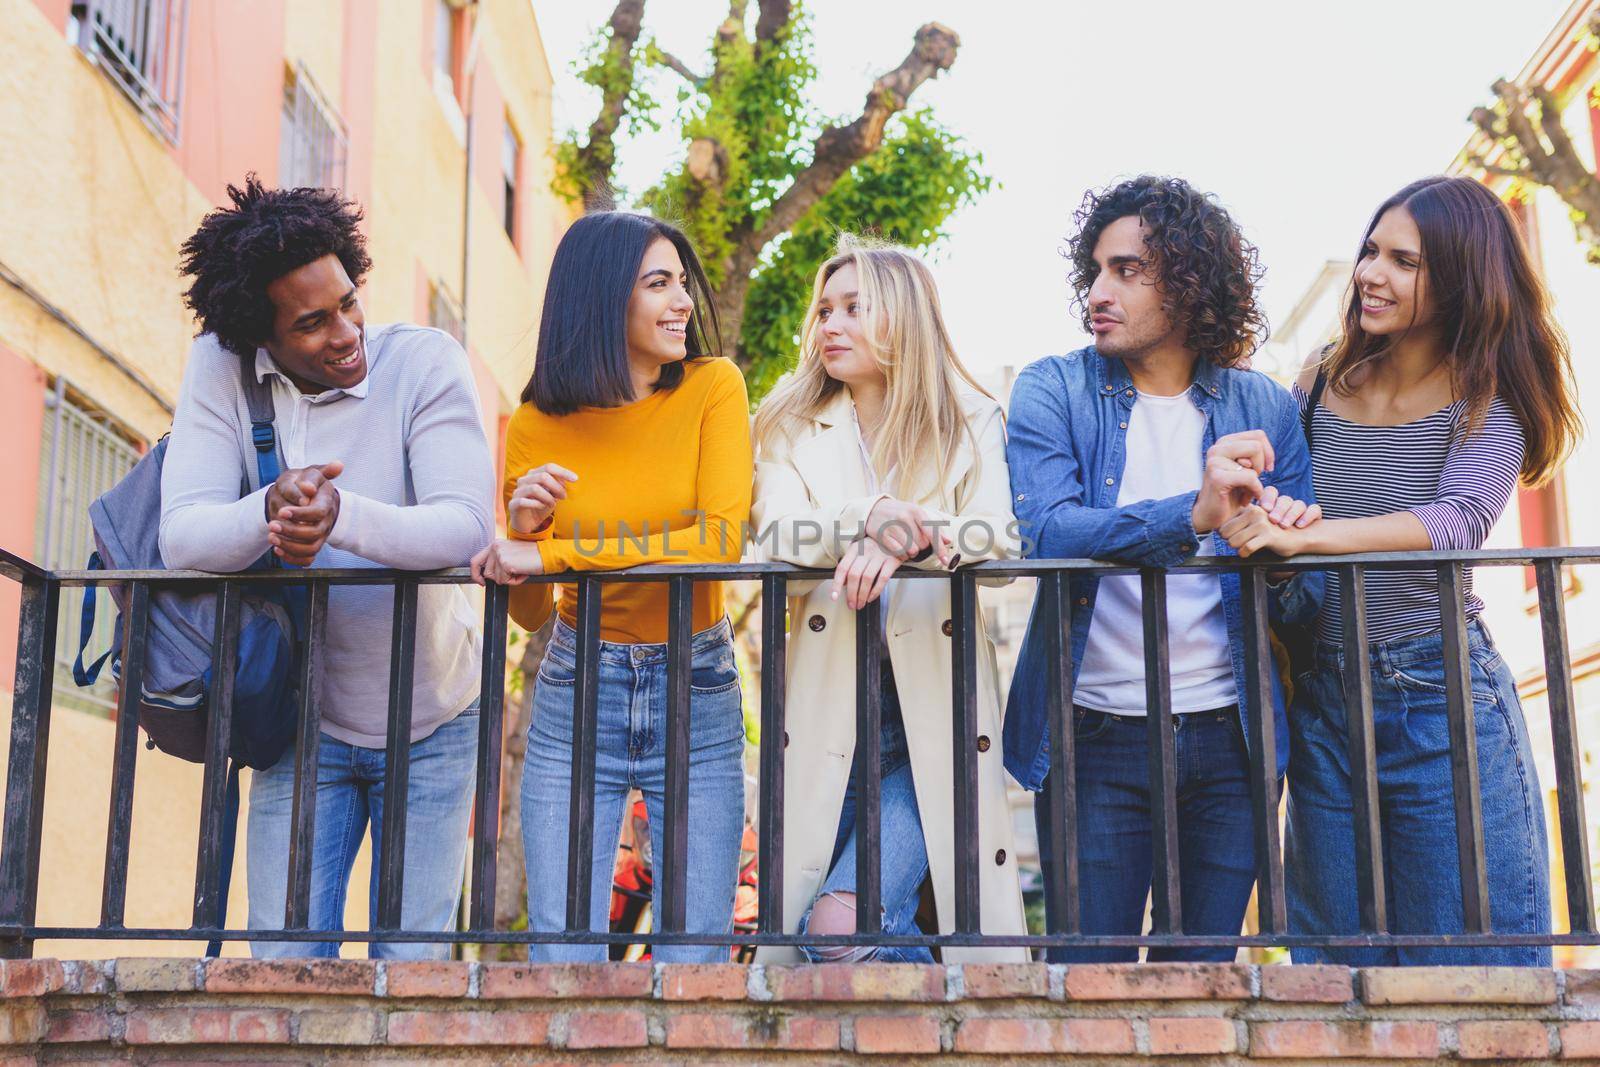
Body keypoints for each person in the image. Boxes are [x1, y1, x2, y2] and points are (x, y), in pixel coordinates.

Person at [1221, 175, 1581, 966]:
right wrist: (1262, 512)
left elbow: (1456, 523)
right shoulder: (1320, 378)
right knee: (1335, 983)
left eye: (1405, 261)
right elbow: (1282, 520)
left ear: (1460, 277)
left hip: (1438, 701)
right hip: (1322, 700)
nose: (1371, 274)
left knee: (1476, 977)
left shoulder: (1490, 395)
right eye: (1371, 251)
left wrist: (1312, 540)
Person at [162, 177, 495, 958]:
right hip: (298, 725)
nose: (346, 332)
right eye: (312, 323)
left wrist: (341, 515)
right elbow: (183, 534)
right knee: (280, 972)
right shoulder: (220, 369)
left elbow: (466, 522)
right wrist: (271, 510)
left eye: (348, 301)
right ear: (260, 334)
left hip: (434, 715)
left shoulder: (423, 363)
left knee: (410, 979)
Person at [1003, 175, 1321, 962]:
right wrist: (1193, 514)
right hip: (1092, 738)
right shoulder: (1054, 388)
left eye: (1127, 271)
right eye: (1096, 271)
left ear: (1188, 281)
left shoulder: (1264, 406)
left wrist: (1276, 548)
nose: (1098, 293)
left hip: (1230, 740)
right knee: (1086, 986)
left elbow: (1306, 596)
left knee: (1201, 986)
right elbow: (1047, 532)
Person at [470, 211, 752, 963]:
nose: (683, 301)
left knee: (694, 959)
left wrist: (554, 552)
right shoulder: (535, 422)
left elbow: (718, 541)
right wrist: (525, 529)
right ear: (601, 298)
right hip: (575, 681)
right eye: (658, 283)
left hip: (697, 680)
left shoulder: (712, 389)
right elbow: (529, 608)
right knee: (565, 959)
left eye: (682, 282)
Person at [749, 236, 1029, 963]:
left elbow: (999, 544)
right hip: (825, 719)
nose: (829, 325)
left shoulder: (969, 416)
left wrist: (907, 537)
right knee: (828, 944)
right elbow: (775, 532)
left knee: (837, 931)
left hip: (932, 723)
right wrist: (865, 517)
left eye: (852, 308)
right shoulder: (787, 419)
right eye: (823, 310)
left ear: (902, 316)